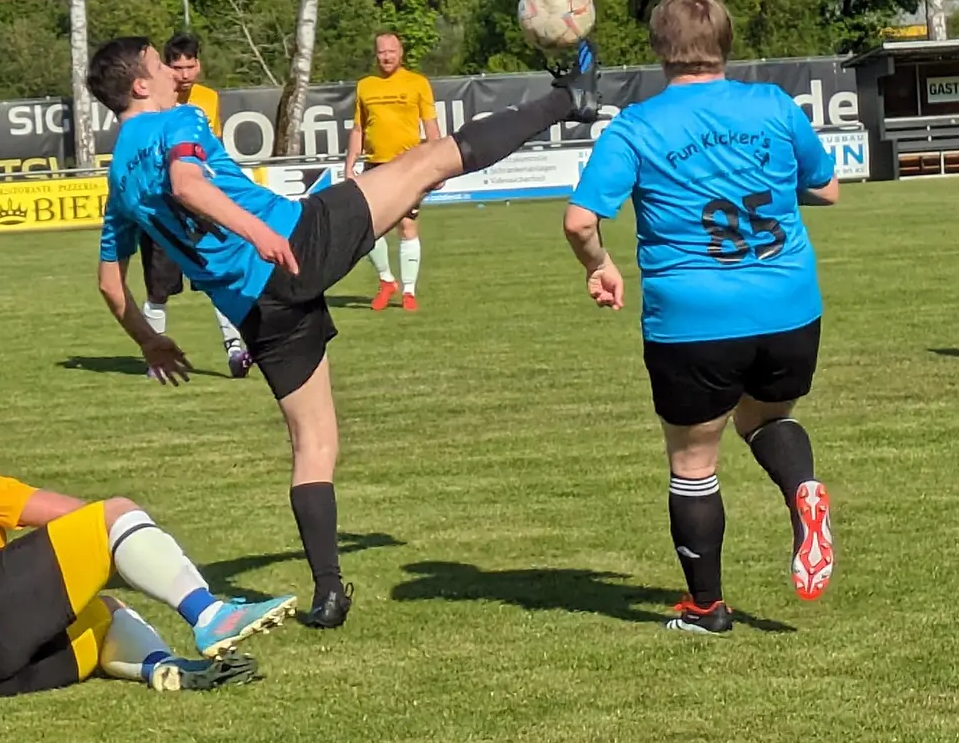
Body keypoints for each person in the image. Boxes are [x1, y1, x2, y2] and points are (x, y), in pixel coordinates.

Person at [89, 35, 600, 628]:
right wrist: (258, 233)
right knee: (426, 163)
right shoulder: (177, 119)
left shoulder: (118, 182)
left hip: (258, 309)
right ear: (140, 84)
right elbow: (187, 184)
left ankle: (328, 590)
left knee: (314, 445)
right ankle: (569, 100)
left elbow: (109, 283)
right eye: (158, 62)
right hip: (295, 241)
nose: (173, 70)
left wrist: (149, 341)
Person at [562, 0, 839, 635]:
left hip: (695, 317)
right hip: (789, 304)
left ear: (660, 49)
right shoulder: (773, 104)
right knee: (767, 418)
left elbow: (580, 222)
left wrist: (600, 266)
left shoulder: (637, 126)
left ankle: (706, 608)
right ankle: (803, 492)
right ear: (726, 44)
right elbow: (826, 186)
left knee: (693, 462)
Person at [0, 424, 295, 697]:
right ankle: (211, 614)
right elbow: (75, 516)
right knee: (116, 514)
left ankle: (166, 668)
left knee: (104, 613)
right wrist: (132, 544)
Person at [135, 32, 254, 378]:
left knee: (220, 274)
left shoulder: (208, 100)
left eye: (190, 66)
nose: (184, 74)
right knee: (159, 287)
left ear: (199, 65)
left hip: (200, 202)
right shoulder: (153, 100)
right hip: (161, 204)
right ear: (166, 69)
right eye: (177, 67)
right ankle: (155, 357)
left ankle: (234, 349)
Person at [344, 33, 441, 312]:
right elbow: (359, 129)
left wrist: (438, 166)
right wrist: (349, 164)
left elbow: (431, 125)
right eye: (381, 52)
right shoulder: (365, 86)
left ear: (401, 52)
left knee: (407, 226)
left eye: (391, 51)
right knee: (369, 229)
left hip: (409, 165)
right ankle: (386, 280)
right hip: (375, 166)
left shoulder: (418, 83)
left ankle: (408, 291)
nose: (386, 56)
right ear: (375, 55)